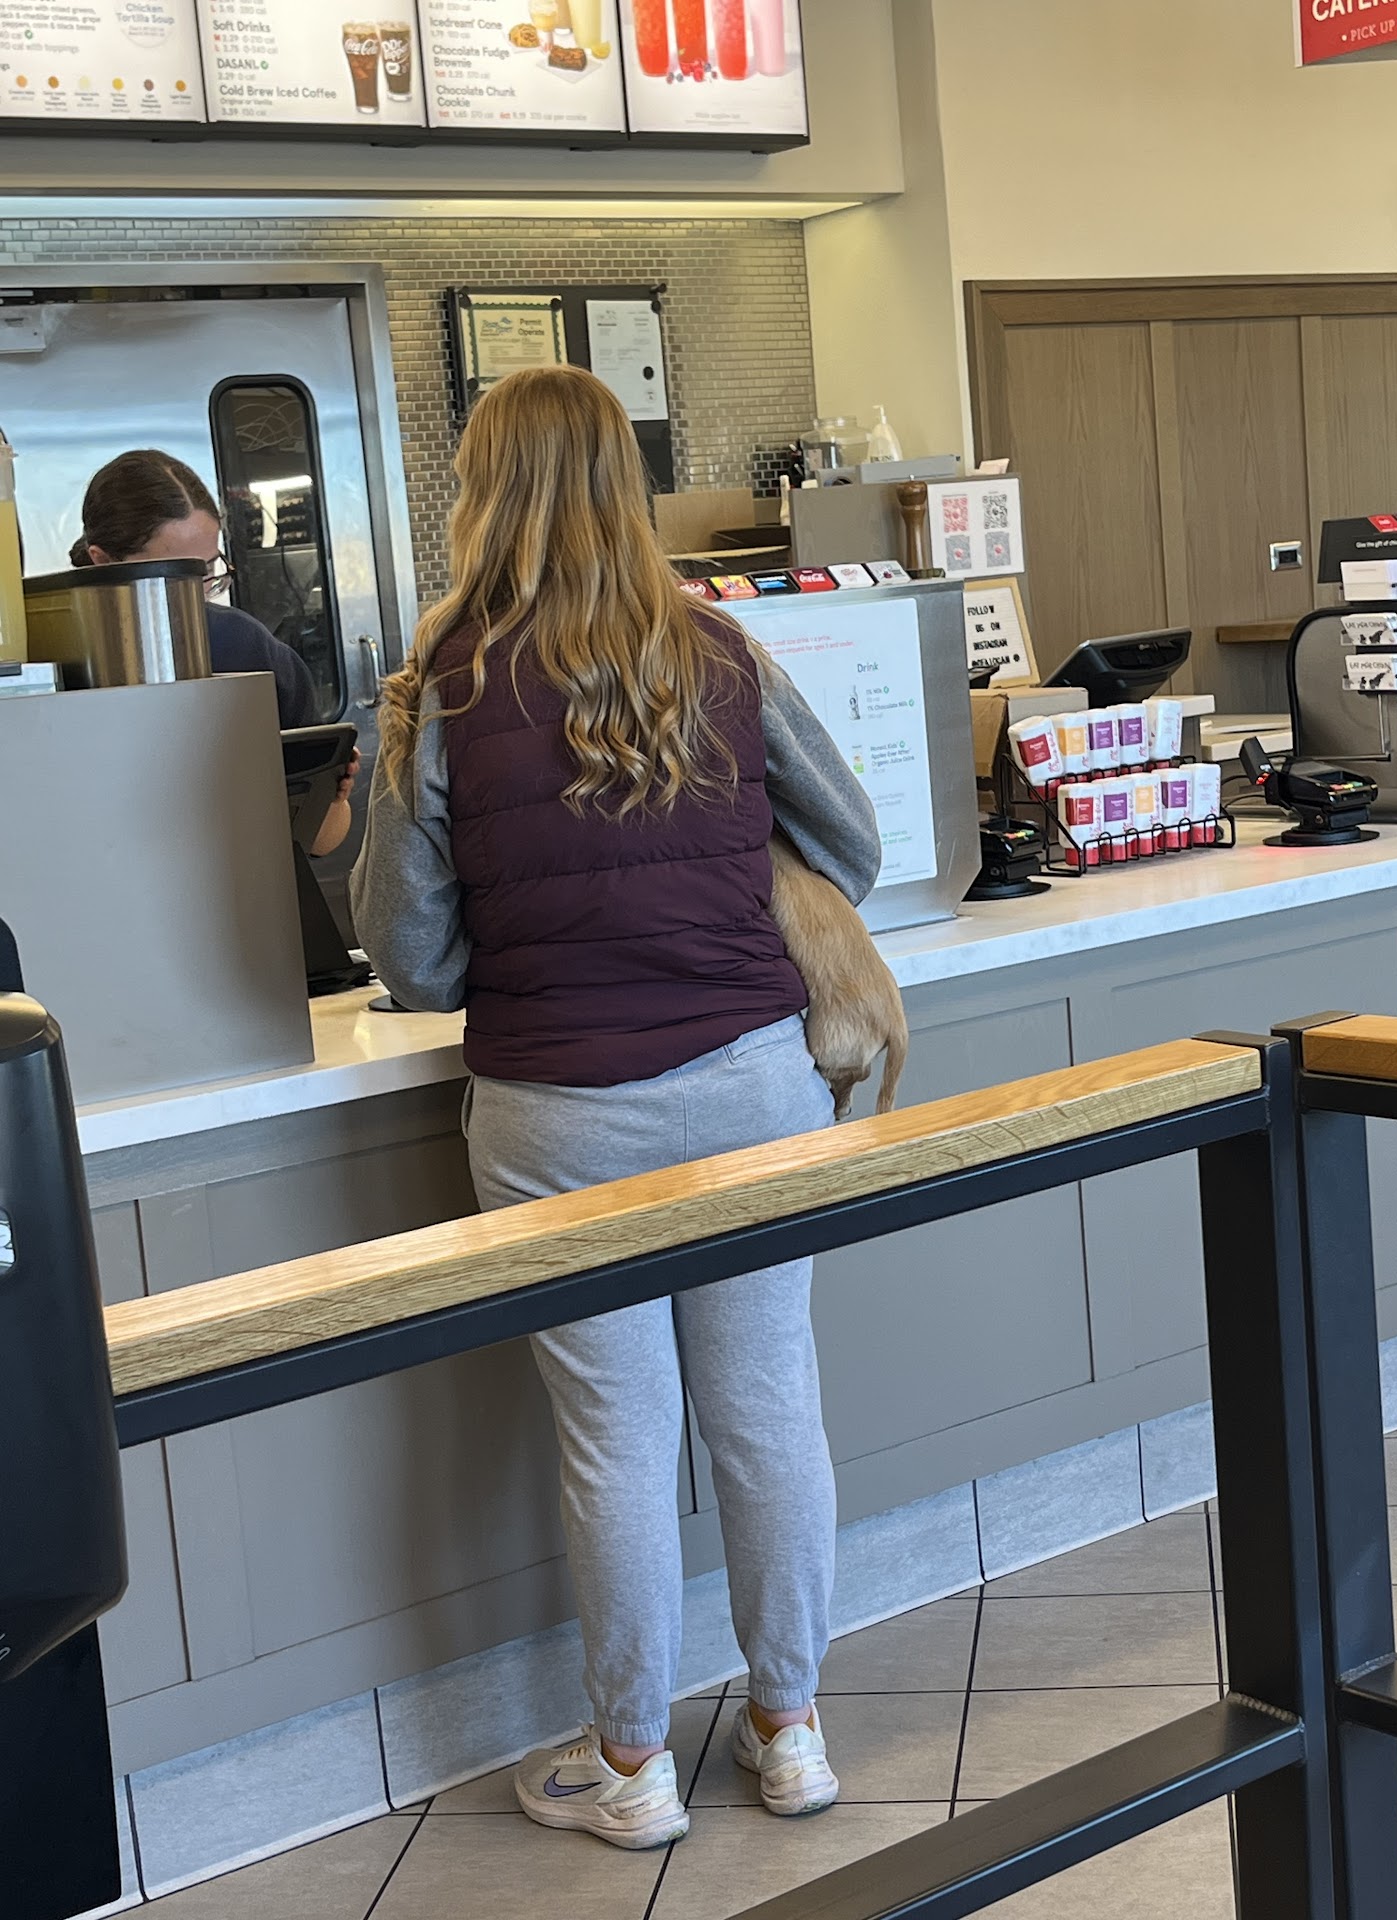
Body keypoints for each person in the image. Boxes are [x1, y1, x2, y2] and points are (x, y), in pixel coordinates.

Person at [352, 365, 882, 1853]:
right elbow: (851, 841)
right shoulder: (719, 647)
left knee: (616, 1441)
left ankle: (635, 1766)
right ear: (623, 484)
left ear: (480, 494)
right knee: (769, 1409)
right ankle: (790, 1733)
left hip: (556, 1111)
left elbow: (412, 957)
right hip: (752, 1083)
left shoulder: (436, 686)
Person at [71, 449, 354, 855]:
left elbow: (321, 841)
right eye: (173, 577)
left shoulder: (246, 648)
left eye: (207, 571)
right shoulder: (51, 665)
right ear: (102, 561)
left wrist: (330, 793)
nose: (198, 596)